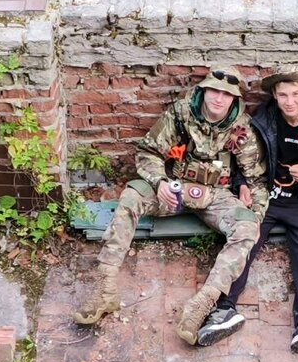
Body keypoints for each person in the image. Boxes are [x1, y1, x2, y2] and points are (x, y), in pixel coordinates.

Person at [73, 65, 269, 345]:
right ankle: (105, 286)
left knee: (248, 227)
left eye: (226, 94)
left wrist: (255, 216)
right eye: (213, 90)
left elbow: (258, 180)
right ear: (204, 90)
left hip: (216, 196)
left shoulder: (242, 129)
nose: (218, 98)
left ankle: (202, 303)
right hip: (174, 190)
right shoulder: (181, 113)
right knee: (131, 196)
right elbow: (148, 152)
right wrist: (159, 182)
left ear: (235, 99)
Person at [197, 67, 298, 353]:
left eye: (296, 94)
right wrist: (242, 184)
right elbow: (236, 155)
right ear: (274, 94)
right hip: (268, 196)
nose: (289, 101)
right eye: (283, 94)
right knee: (244, 243)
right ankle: (224, 312)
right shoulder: (263, 119)